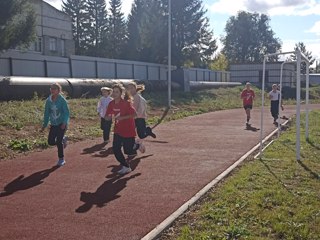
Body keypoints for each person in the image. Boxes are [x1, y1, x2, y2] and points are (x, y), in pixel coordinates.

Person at [105, 83, 137, 175]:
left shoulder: (126, 103)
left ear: (121, 93)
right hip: (118, 130)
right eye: (113, 92)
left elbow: (135, 115)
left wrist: (122, 118)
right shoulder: (111, 103)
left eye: (117, 92)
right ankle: (126, 166)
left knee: (128, 151)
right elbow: (108, 115)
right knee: (116, 149)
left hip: (128, 130)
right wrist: (106, 117)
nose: (115, 94)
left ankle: (137, 145)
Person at [41, 83, 70, 167]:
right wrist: (44, 124)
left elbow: (66, 112)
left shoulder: (62, 100)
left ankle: (61, 159)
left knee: (58, 141)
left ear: (58, 90)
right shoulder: (48, 100)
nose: (52, 90)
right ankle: (63, 139)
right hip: (53, 124)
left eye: (54, 89)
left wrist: (64, 123)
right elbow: (46, 113)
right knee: (50, 142)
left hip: (61, 124)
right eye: (51, 88)